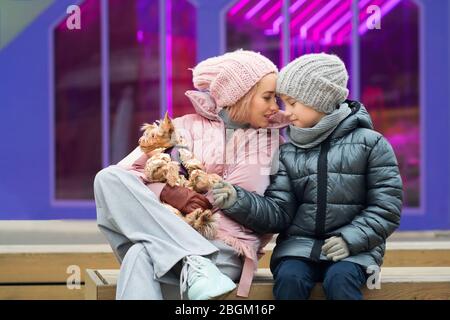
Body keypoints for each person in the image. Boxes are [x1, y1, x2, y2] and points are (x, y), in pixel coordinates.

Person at [93, 50, 290, 300]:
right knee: (107, 178)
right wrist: (166, 192)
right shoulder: (183, 126)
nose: (275, 107)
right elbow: (127, 174)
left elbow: (271, 213)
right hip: (168, 237)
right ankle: (195, 262)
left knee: (139, 254)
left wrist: (228, 198)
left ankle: (197, 263)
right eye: (268, 97)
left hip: (224, 250)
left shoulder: (272, 144)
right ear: (242, 95)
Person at [212, 53, 403, 300]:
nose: (285, 112)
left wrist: (350, 239)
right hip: (298, 249)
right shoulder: (288, 152)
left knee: (340, 281)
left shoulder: (371, 144)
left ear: (320, 100)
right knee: (290, 279)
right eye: (283, 102)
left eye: (292, 103)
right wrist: (237, 199)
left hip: (356, 250)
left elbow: (386, 207)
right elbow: (278, 213)